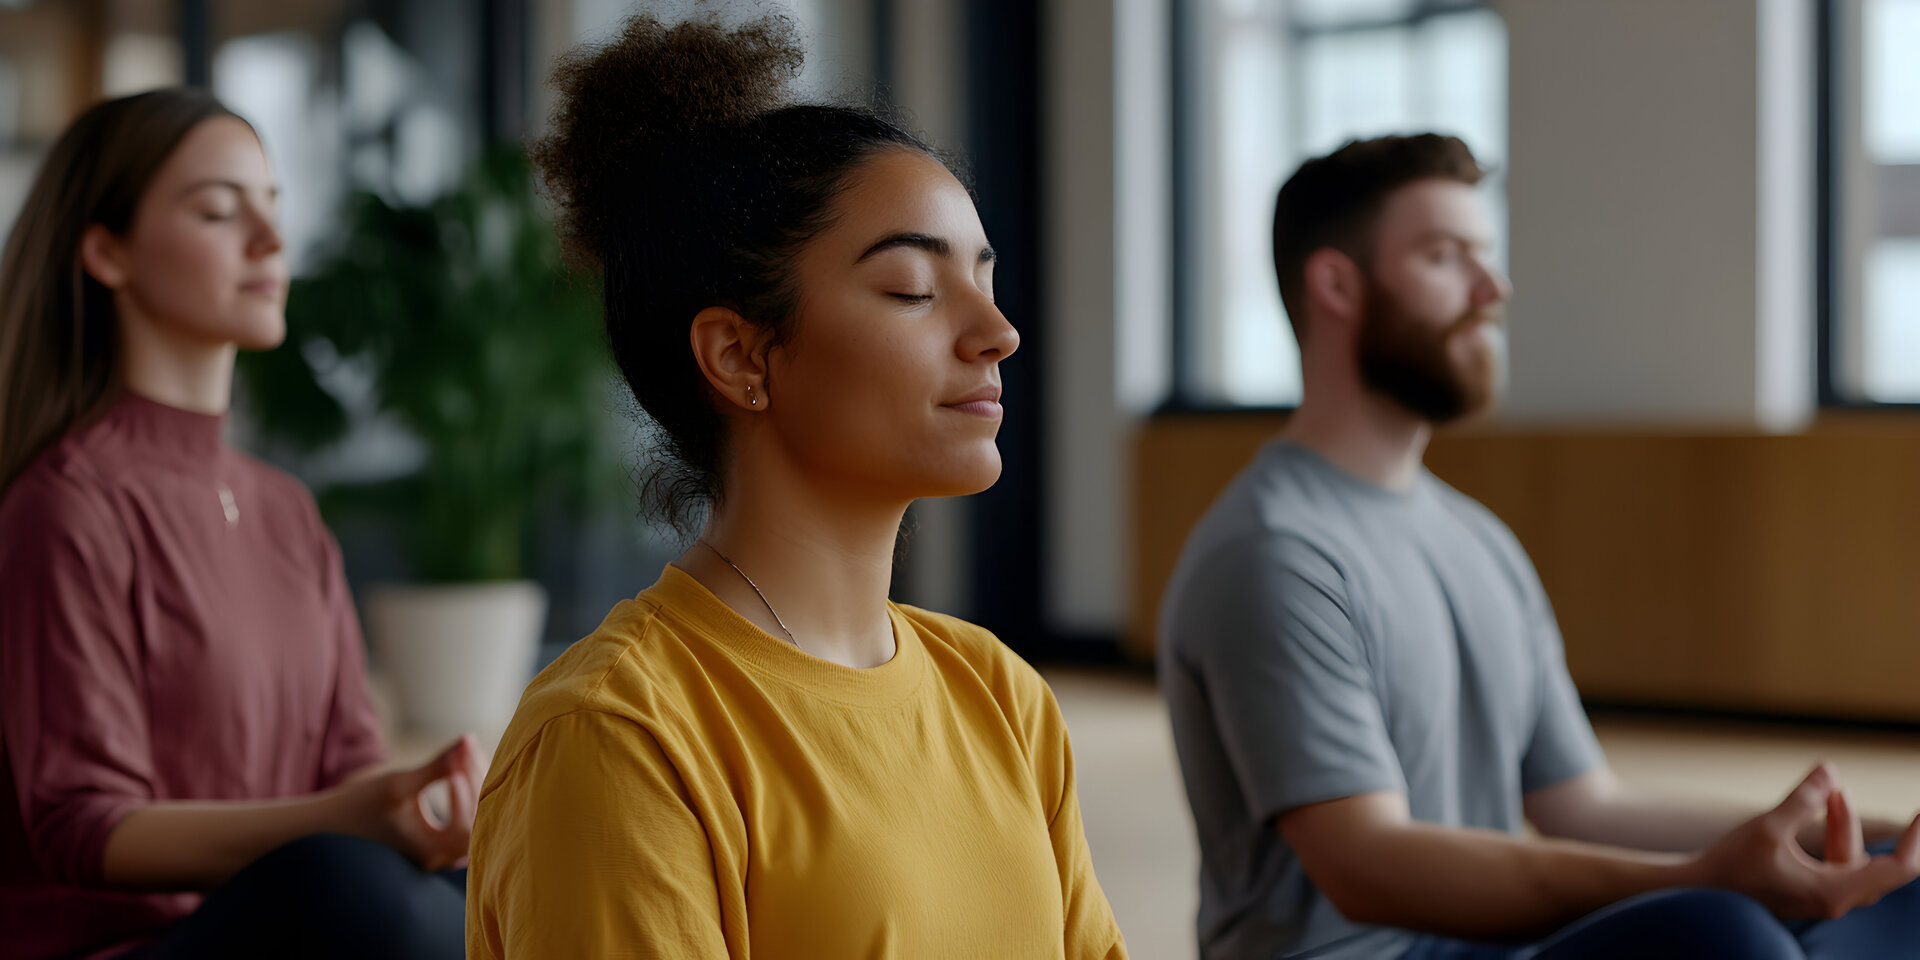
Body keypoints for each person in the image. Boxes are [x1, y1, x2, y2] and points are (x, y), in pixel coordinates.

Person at [1157, 133, 1920, 960]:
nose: (1493, 288)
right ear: (1337, 284)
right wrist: (1703, 879)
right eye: (1445, 257)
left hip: (1487, 949)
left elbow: (1586, 806)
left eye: (1485, 256)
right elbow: (1365, 865)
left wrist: (1868, 841)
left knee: (1897, 896)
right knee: (1723, 933)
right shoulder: (1274, 554)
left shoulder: (1477, 539)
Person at [464, 12, 1127, 960]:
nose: (998, 332)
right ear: (740, 356)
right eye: (913, 289)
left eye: (984, 280)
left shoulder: (1001, 693)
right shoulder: (619, 732)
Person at [0, 88, 479, 960]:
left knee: (496, 889)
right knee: (351, 888)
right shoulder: (65, 503)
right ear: (107, 252)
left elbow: (352, 772)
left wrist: (425, 810)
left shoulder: (286, 511)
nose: (270, 240)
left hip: (298, 920)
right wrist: (346, 822)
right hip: (128, 947)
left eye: (273, 205)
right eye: (220, 211)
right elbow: (83, 825)